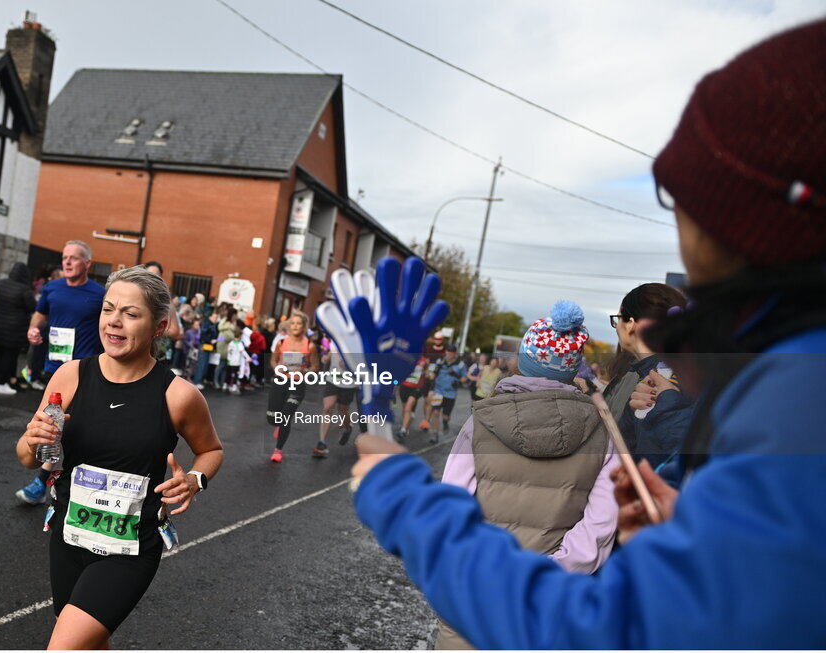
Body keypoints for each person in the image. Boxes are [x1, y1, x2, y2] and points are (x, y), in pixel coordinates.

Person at [348, 20, 826, 648]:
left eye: (677, 198)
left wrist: (398, 496)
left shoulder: (798, 398)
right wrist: (694, 534)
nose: (680, 225)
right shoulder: (777, 374)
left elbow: (611, 631)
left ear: (739, 219)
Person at [16, 265, 223, 649]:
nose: (114, 321)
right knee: (88, 642)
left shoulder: (178, 395)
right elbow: (30, 459)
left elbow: (210, 450)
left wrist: (194, 479)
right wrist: (31, 441)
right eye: (108, 309)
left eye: (130, 314)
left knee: (63, 647)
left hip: (129, 549)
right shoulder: (70, 376)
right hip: (68, 536)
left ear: (158, 327)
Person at [435, 300, 617, 649]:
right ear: (572, 367)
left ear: (524, 359)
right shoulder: (605, 433)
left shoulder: (481, 422)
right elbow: (602, 523)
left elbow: (451, 504)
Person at [17, 241, 105, 504]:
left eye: (74, 258)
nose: (66, 262)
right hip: (54, 367)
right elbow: (40, 315)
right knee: (53, 427)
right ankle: (53, 486)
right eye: (64, 257)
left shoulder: (99, 294)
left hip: (84, 370)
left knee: (63, 428)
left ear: (87, 264)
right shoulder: (52, 288)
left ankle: (41, 484)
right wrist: (33, 330)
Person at [611, 283, 690, 468]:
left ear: (630, 324)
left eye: (617, 319)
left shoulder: (660, 379)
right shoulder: (680, 371)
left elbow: (651, 460)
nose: (616, 328)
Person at [266, 311, 319, 463]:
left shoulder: (310, 346)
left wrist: (305, 370)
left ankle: (278, 450)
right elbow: (273, 361)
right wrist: (277, 368)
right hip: (280, 382)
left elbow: (315, 366)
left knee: (285, 417)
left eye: (299, 323)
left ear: (303, 327)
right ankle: (278, 425)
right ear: (289, 326)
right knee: (272, 418)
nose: (295, 326)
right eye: (293, 323)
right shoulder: (281, 343)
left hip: (297, 384)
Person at [0, 262, 36, 395]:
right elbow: (32, 307)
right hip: (14, 329)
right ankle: (3, 384)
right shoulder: (24, 289)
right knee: (9, 356)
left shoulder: (1, 283)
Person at [313, 339, 357, 456]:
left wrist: (349, 364)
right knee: (327, 408)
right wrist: (327, 357)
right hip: (333, 379)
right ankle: (321, 443)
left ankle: (348, 428)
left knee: (342, 412)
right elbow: (333, 351)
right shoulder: (335, 337)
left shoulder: (357, 339)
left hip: (349, 382)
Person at [427, 345, 467, 442]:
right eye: (447, 351)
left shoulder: (460, 364)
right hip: (438, 391)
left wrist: (458, 382)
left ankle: (445, 422)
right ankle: (435, 434)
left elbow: (464, 377)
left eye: (451, 352)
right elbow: (434, 374)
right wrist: (431, 382)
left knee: (446, 416)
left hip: (450, 394)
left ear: (455, 353)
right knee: (435, 412)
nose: (448, 353)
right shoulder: (440, 361)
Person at [396, 353, 430, 442]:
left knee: (408, 407)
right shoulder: (406, 357)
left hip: (416, 388)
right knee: (405, 409)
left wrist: (426, 375)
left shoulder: (425, 360)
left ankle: (403, 430)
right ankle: (406, 424)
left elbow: (427, 374)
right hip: (404, 386)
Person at [191, 311, 219, 390]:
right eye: (214, 317)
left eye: (216, 318)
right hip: (204, 344)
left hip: (208, 346)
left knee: (204, 364)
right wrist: (210, 340)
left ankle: (199, 381)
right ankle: (196, 381)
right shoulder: (207, 324)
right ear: (210, 317)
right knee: (202, 364)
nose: (215, 319)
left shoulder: (212, 325)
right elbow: (203, 335)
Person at [225, 326, 245, 394]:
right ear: (240, 335)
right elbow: (243, 352)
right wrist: (248, 358)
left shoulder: (231, 343)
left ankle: (226, 384)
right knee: (236, 374)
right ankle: (234, 386)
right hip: (236, 362)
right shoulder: (239, 344)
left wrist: (228, 359)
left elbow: (229, 352)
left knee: (229, 373)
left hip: (230, 361)